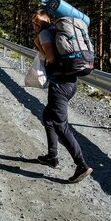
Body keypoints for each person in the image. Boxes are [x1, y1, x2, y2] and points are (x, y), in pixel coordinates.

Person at [31, 9, 93, 183]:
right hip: (71, 82)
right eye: (34, 22)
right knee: (48, 117)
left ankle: (81, 165)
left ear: (45, 20)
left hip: (60, 85)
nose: (35, 25)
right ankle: (52, 157)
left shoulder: (44, 33)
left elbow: (50, 58)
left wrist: (38, 44)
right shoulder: (56, 31)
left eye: (37, 21)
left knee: (60, 124)